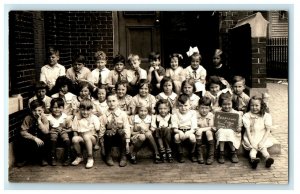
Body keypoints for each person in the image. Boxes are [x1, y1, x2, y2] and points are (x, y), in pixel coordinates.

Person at [242, 96, 274, 169]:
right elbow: (247, 130)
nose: (254, 107)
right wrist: (251, 142)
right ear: (249, 106)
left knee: (263, 147)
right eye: (252, 105)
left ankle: (268, 158)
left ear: (261, 106)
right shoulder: (247, 115)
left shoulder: (266, 115)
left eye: (257, 105)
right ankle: (253, 159)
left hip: (262, 135)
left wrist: (262, 141)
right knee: (253, 148)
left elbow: (268, 130)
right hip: (251, 135)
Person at [15, 100, 49, 167]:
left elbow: (46, 131)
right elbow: (23, 131)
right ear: (31, 110)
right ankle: (23, 159)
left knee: (47, 138)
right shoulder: (28, 118)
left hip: (41, 138)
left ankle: (42, 158)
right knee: (21, 140)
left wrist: (40, 122)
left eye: (39, 110)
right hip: (31, 138)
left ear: (43, 110)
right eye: (34, 110)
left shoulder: (44, 118)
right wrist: (34, 138)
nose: (36, 113)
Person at [99, 92, 131, 167]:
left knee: (121, 131)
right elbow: (102, 129)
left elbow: (127, 127)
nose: (111, 103)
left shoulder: (122, 114)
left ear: (117, 102)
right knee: (108, 131)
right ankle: (108, 155)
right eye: (109, 101)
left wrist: (127, 143)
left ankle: (123, 156)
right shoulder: (104, 115)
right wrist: (102, 145)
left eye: (113, 101)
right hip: (109, 139)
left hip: (120, 138)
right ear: (106, 102)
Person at [71, 99, 102, 169]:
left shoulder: (94, 118)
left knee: (86, 136)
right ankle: (79, 156)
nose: (85, 112)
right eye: (83, 110)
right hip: (81, 137)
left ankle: (90, 157)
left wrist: (97, 143)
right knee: (74, 139)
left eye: (88, 110)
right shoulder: (77, 118)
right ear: (79, 109)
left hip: (92, 138)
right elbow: (75, 130)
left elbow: (98, 130)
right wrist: (75, 143)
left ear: (91, 110)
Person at [214, 92, 242, 164]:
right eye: (224, 104)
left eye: (229, 104)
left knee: (229, 131)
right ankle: (221, 153)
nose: (227, 106)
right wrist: (214, 128)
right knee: (222, 131)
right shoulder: (218, 113)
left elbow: (239, 127)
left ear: (232, 104)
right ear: (221, 104)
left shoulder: (236, 114)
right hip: (221, 132)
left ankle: (233, 152)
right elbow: (215, 125)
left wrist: (238, 129)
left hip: (233, 132)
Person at [172, 94, 198, 163]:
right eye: (181, 106)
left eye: (186, 105)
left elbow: (194, 127)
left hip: (189, 131)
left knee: (192, 137)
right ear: (178, 106)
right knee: (176, 137)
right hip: (179, 131)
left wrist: (189, 132)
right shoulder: (175, 114)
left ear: (190, 105)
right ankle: (180, 154)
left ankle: (192, 153)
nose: (183, 108)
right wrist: (179, 132)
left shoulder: (193, 113)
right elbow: (174, 128)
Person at [47, 98, 73, 166]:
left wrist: (65, 130)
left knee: (66, 139)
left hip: (63, 131)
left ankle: (68, 157)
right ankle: (53, 157)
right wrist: (51, 130)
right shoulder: (49, 118)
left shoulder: (65, 117)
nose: (57, 109)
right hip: (53, 132)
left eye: (59, 107)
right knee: (53, 137)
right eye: (55, 107)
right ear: (51, 108)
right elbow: (47, 129)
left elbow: (71, 128)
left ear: (63, 108)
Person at [195, 97, 215, 165]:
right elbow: (194, 126)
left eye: (206, 108)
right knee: (198, 132)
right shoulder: (195, 115)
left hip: (208, 137)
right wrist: (198, 129)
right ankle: (199, 155)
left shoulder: (210, 115)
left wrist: (201, 129)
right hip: (198, 136)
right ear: (198, 107)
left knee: (209, 132)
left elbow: (211, 127)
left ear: (209, 108)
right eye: (202, 108)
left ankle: (210, 156)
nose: (204, 110)